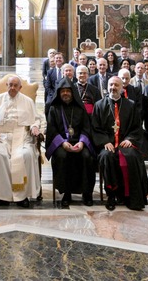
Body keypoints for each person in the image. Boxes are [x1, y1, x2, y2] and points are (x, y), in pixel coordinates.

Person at [0, 76, 44, 208]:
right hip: (1, 138)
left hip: (23, 137)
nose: (12, 88)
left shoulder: (28, 101)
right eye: (10, 85)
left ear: (20, 87)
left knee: (25, 155)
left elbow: (36, 119)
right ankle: (1, 196)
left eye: (16, 85)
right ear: (6, 85)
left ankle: (22, 196)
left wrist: (34, 126)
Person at [92, 76, 148, 210]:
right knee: (107, 156)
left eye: (116, 85)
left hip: (125, 142)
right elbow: (95, 128)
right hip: (108, 144)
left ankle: (130, 196)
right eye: (111, 85)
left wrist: (129, 139)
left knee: (132, 157)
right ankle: (111, 195)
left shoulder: (131, 105)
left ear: (122, 88)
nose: (113, 88)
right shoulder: (99, 105)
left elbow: (137, 127)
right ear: (107, 87)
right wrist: (105, 141)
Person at [45, 78, 95, 207]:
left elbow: (86, 127)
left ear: (73, 92)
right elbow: (51, 129)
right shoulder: (54, 108)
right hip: (62, 143)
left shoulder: (80, 108)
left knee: (86, 156)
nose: (65, 93)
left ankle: (87, 192)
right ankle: (66, 192)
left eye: (68, 91)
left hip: (79, 141)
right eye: (63, 91)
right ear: (59, 93)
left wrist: (82, 142)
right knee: (62, 156)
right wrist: (62, 143)